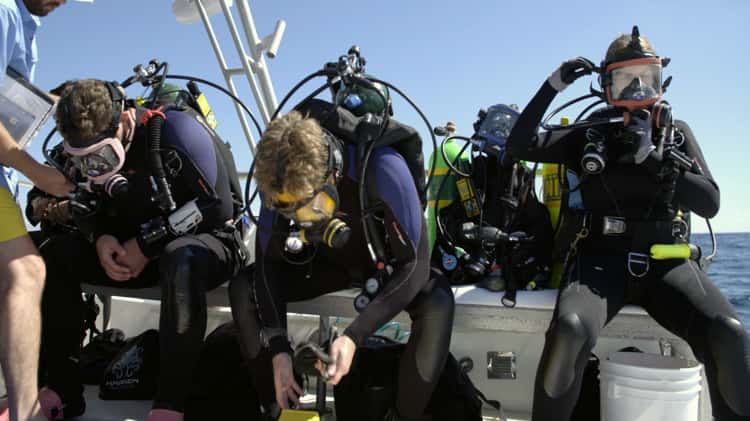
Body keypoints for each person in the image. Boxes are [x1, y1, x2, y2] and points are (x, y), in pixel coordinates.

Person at [506, 26, 750, 421]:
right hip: (600, 261)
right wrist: (552, 86)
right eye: (625, 80)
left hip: (667, 264)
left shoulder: (675, 134)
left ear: (660, 80)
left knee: (729, 331)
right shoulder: (592, 133)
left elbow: (711, 202)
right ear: (606, 86)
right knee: (569, 328)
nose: (637, 91)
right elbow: (518, 145)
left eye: (646, 79)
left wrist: (655, 158)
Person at [27, 78, 247, 421]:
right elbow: (78, 205)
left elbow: (218, 208)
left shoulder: (175, 132)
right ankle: (59, 388)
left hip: (206, 244)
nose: (93, 169)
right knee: (50, 252)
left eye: (101, 156)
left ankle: (170, 406)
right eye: (82, 159)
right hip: (127, 253)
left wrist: (146, 244)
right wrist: (99, 237)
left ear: (125, 121)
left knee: (181, 256)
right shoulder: (78, 151)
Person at [230, 98, 455, 421]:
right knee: (243, 287)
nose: (305, 222)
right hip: (328, 265)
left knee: (438, 301)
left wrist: (353, 337)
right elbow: (267, 265)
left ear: (332, 172)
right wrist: (278, 349)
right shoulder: (281, 183)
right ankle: (276, 409)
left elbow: (415, 266)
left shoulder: (383, 167)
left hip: (385, 267)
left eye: (311, 208)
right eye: (290, 211)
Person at [0, 1, 72, 420]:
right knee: (28, 271)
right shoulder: (5, 12)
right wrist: (38, 173)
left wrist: (54, 101)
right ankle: (25, 412)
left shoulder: (25, 23)